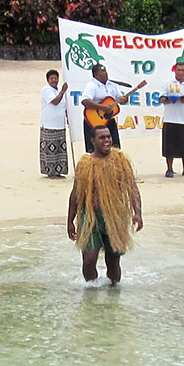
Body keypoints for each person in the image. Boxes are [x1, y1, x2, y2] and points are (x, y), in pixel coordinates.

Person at [67, 125, 143, 285]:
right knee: (89, 260)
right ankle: (91, 292)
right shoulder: (85, 163)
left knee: (113, 261)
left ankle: (114, 293)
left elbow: (132, 189)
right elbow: (75, 193)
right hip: (89, 216)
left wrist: (138, 213)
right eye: (102, 137)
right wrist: (70, 221)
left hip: (114, 216)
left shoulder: (120, 160)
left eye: (108, 136)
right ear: (93, 141)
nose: (107, 140)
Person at [80, 64, 128, 153]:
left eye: (105, 71)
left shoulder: (112, 85)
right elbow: (85, 101)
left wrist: (124, 99)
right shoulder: (92, 85)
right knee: (95, 150)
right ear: (95, 75)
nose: (105, 73)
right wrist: (102, 107)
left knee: (114, 149)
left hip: (109, 120)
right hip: (94, 122)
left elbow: (121, 99)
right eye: (102, 72)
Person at [40, 69, 69, 178]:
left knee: (60, 149)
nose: (54, 80)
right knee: (50, 149)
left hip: (60, 124)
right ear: (48, 80)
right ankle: (50, 172)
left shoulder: (58, 90)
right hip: (49, 124)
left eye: (56, 78)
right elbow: (55, 101)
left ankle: (59, 170)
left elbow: (63, 106)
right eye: (52, 78)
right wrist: (63, 91)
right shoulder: (46, 90)